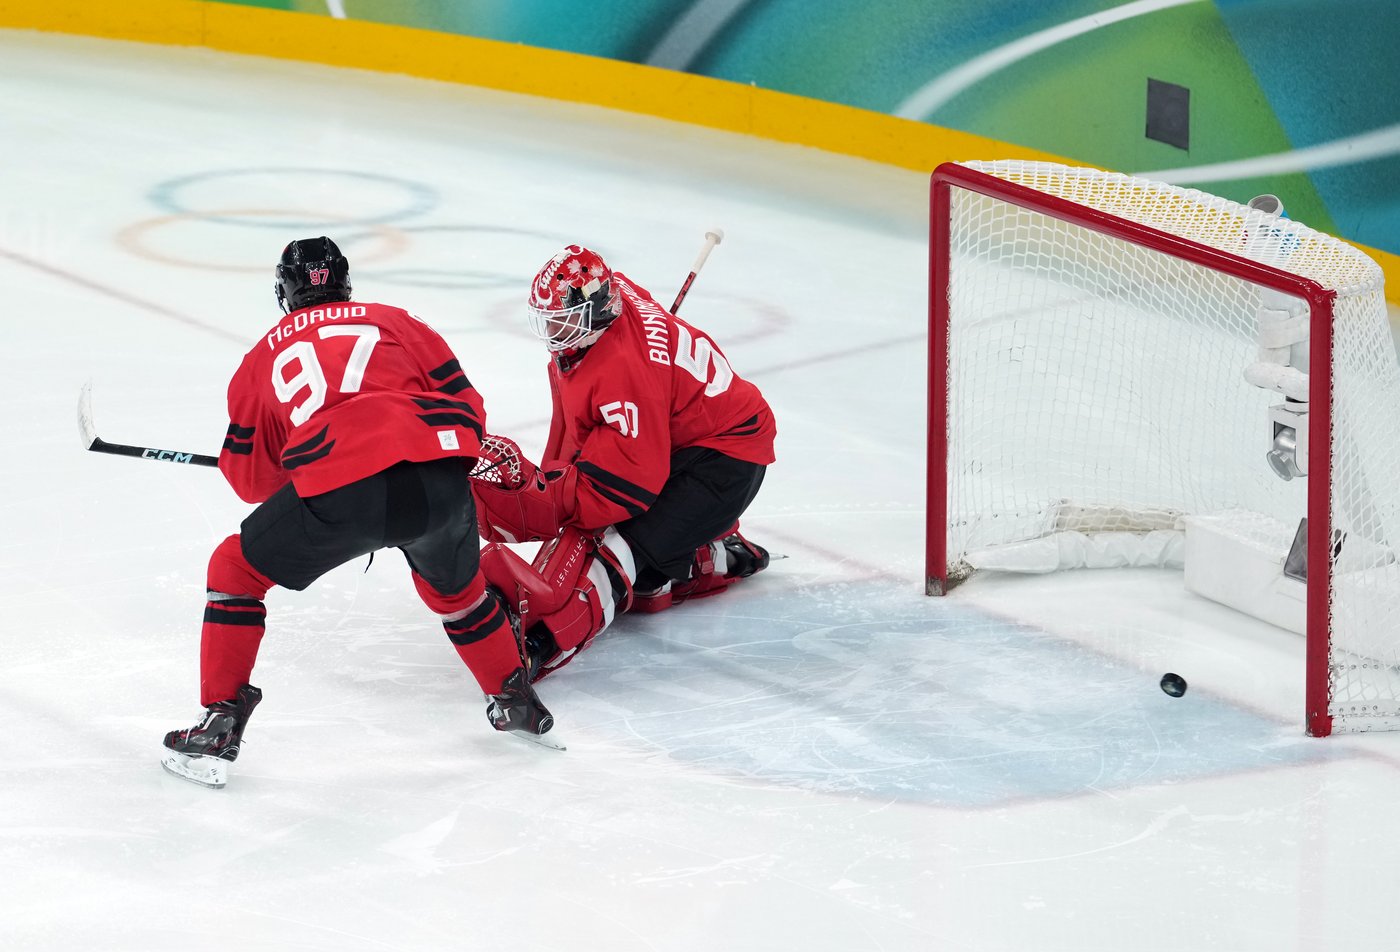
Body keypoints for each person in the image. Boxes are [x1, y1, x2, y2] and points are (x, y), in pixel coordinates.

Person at [161, 237, 553, 789]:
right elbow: (470, 409)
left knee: (234, 570)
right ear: (346, 281)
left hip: (343, 489)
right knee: (457, 595)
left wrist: (309, 467)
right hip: (438, 479)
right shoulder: (397, 321)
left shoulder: (262, 358)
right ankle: (514, 697)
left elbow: (251, 482)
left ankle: (220, 722)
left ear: (284, 293)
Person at [469, 244, 775, 680]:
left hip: (725, 461)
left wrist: (551, 499)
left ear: (595, 312)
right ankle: (717, 553)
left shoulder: (623, 372)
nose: (554, 331)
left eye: (563, 320)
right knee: (649, 589)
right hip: (685, 438)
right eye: (549, 319)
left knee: (616, 552)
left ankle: (542, 646)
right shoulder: (615, 299)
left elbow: (623, 486)